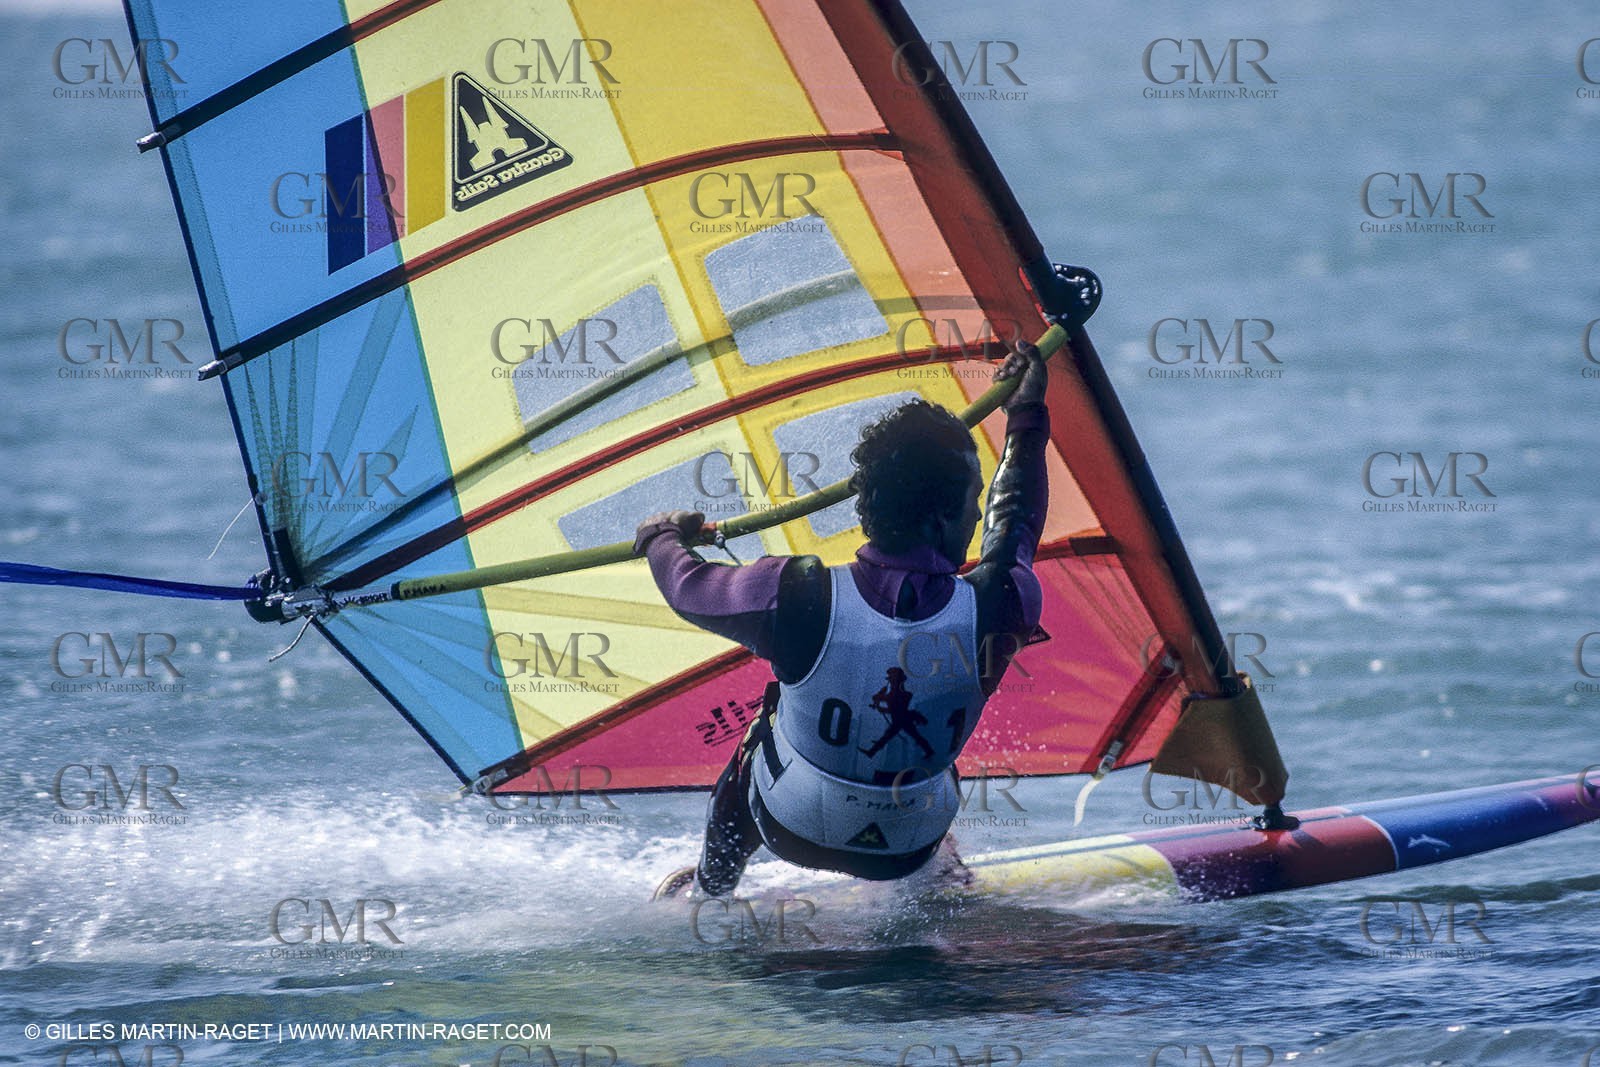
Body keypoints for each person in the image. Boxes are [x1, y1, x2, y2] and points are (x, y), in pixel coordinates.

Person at [638, 341, 1049, 899]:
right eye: (971, 499)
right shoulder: (1000, 603)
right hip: (908, 845)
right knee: (925, 762)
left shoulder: (800, 594)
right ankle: (943, 880)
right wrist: (1026, 419)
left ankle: (710, 891)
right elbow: (1015, 521)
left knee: (762, 731)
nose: (978, 512)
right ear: (937, 519)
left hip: (791, 827)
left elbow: (688, 588)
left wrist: (660, 536)